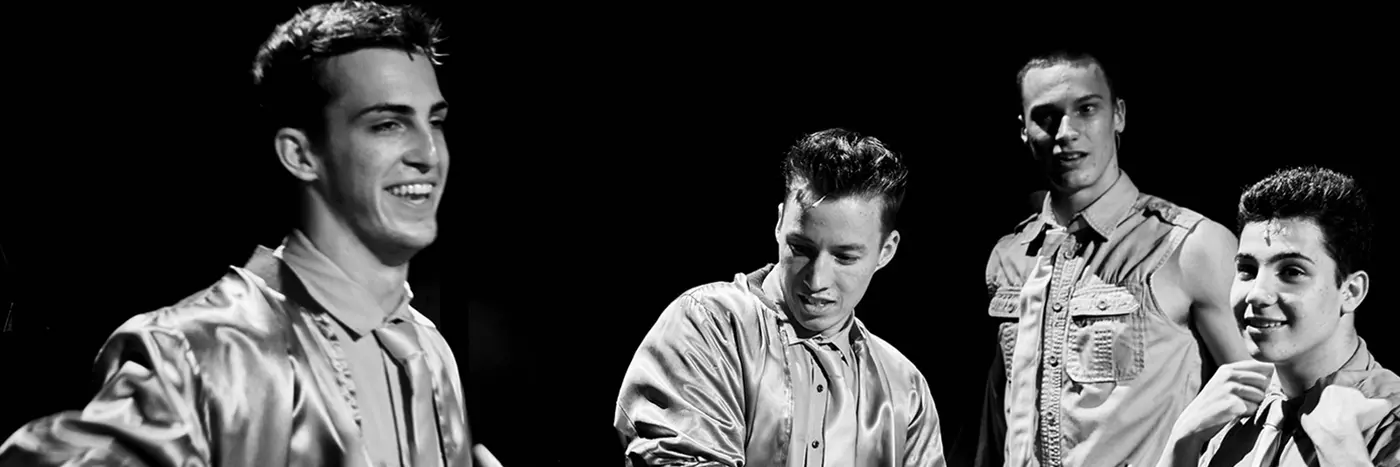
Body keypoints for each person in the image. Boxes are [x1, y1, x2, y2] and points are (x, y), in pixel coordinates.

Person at [0, 2, 498, 466]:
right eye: (388, 124)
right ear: (300, 155)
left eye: (435, 122)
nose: (429, 155)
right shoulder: (194, 350)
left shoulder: (431, 350)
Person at [976, 50, 1252, 467]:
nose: (1066, 132)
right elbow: (998, 421)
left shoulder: (1191, 246)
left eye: (1086, 109)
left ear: (1118, 115)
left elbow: (1264, 403)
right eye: (1046, 117)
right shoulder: (1010, 254)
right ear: (1023, 129)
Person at [614, 128, 946, 466]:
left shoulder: (906, 389)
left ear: (886, 251)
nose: (817, 280)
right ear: (778, 224)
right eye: (801, 248)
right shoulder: (708, 327)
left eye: (845, 257)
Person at [1157, 166, 1400, 467]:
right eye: (1247, 269)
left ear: (1351, 291)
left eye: (1291, 271)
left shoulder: (1389, 423)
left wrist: (1343, 456)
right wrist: (1181, 443)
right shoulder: (1229, 415)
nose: (1256, 293)